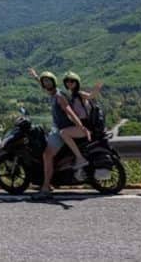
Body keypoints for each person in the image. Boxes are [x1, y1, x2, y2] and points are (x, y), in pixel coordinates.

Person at [29, 68, 90, 198]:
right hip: (56, 129)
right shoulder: (52, 93)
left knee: (47, 155)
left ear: (54, 82)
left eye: (48, 81)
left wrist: (81, 127)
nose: (45, 84)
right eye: (44, 82)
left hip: (62, 131)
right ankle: (50, 179)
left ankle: (45, 188)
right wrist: (35, 76)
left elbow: (70, 112)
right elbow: (43, 86)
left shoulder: (59, 96)